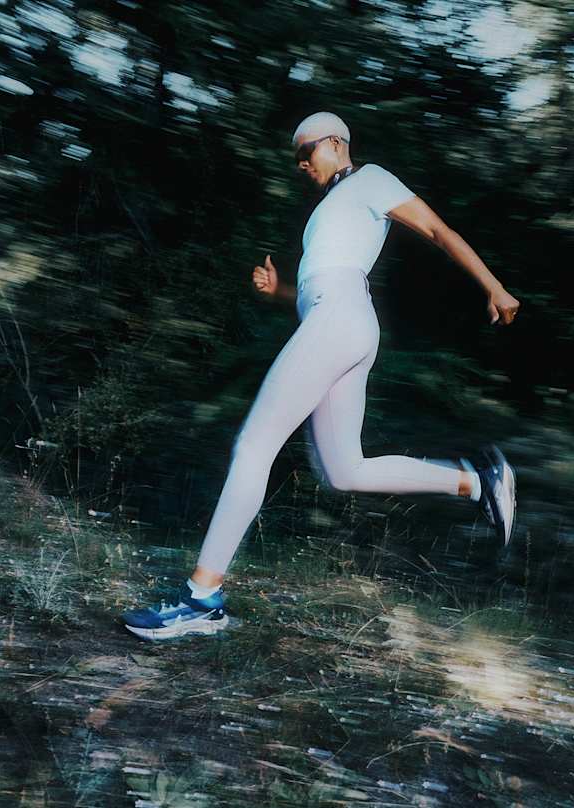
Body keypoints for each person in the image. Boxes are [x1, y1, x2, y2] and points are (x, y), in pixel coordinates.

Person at [122, 112, 520, 641]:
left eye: (306, 151)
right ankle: (476, 480)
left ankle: (201, 599)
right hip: (336, 322)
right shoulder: (327, 215)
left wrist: (494, 287)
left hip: (342, 319)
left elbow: (438, 231)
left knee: (253, 446)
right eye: (296, 158)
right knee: (343, 470)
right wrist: (280, 290)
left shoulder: (370, 179)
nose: (301, 163)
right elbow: (317, 295)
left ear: (337, 142)